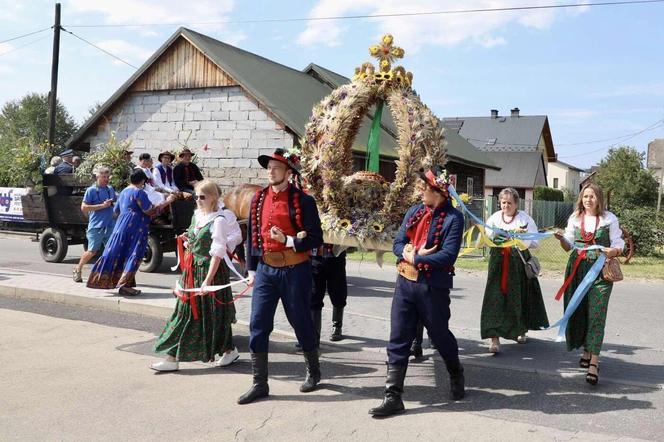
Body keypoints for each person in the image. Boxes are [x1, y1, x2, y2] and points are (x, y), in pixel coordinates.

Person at [369, 166, 465, 418]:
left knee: (440, 335)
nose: (421, 191)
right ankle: (392, 396)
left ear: (440, 193)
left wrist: (418, 257)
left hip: (432, 288)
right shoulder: (414, 211)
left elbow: (447, 255)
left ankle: (455, 372)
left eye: (426, 188)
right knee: (398, 336)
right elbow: (398, 242)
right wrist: (408, 254)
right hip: (405, 284)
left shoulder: (454, 219)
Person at [237, 148, 323, 405]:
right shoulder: (258, 199)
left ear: (288, 172)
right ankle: (259, 383)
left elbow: (316, 239)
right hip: (265, 269)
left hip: (295, 270)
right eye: (269, 167)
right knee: (258, 323)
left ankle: (314, 371)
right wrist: (251, 269)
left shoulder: (304, 201)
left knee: (300, 321)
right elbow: (253, 236)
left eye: (276, 167)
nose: (270, 171)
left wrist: (287, 240)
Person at [151, 180, 243, 372]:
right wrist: (188, 240)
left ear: (214, 198)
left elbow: (217, 253)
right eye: (196, 197)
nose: (198, 200)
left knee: (212, 314)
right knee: (186, 313)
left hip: (209, 272)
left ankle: (175, 358)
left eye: (203, 197)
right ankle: (227, 350)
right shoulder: (197, 215)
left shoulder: (219, 220)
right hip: (191, 270)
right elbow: (195, 241)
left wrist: (208, 281)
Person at [553, 183, 624, 385]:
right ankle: (586, 349)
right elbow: (568, 246)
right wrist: (561, 238)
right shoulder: (575, 218)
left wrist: (614, 251)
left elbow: (619, 243)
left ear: (599, 199)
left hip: (601, 272)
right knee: (580, 310)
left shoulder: (609, 219)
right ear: (581, 199)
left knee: (597, 313)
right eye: (585, 197)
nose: (588, 200)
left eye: (592, 196)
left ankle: (594, 361)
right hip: (577, 269)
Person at [480, 187, 549, 353]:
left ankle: (520, 330)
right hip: (498, 263)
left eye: (509, 203)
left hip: (518, 262)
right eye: (503, 203)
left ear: (516, 203)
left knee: (518, 296)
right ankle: (494, 338)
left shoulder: (524, 219)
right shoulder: (495, 218)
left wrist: (520, 238)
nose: (506, 206)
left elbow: (535, 242)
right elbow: (487, 237)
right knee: (494, 298)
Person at [86, 170, 176, 296]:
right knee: (134, 254)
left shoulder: (124, 191)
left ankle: (105, 281)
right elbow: (150, 211)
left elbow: (116, 212)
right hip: (136, 227)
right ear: (143, 181)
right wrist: (167, 201)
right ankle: (124, 286)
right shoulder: (139, 192)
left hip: (121, 226)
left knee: (118, 253)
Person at [72, 166, 117, 283]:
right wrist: (102, 206)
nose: (106, 179)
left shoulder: (110, 189)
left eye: (108, 177)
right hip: (96, 226)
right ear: (98, 177)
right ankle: (78, 269)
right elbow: (84, 208)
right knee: (92, 251)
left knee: (111, 251)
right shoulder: (91, 190)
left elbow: (115, 203)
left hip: (110, 225)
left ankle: (107, 275)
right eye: (104, 177)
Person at [311, 244, 348, 343]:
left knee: (338, 294)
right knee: (314, 297)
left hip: (336, 258)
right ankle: (314, 336)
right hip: (315, 257)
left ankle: (337, 326)